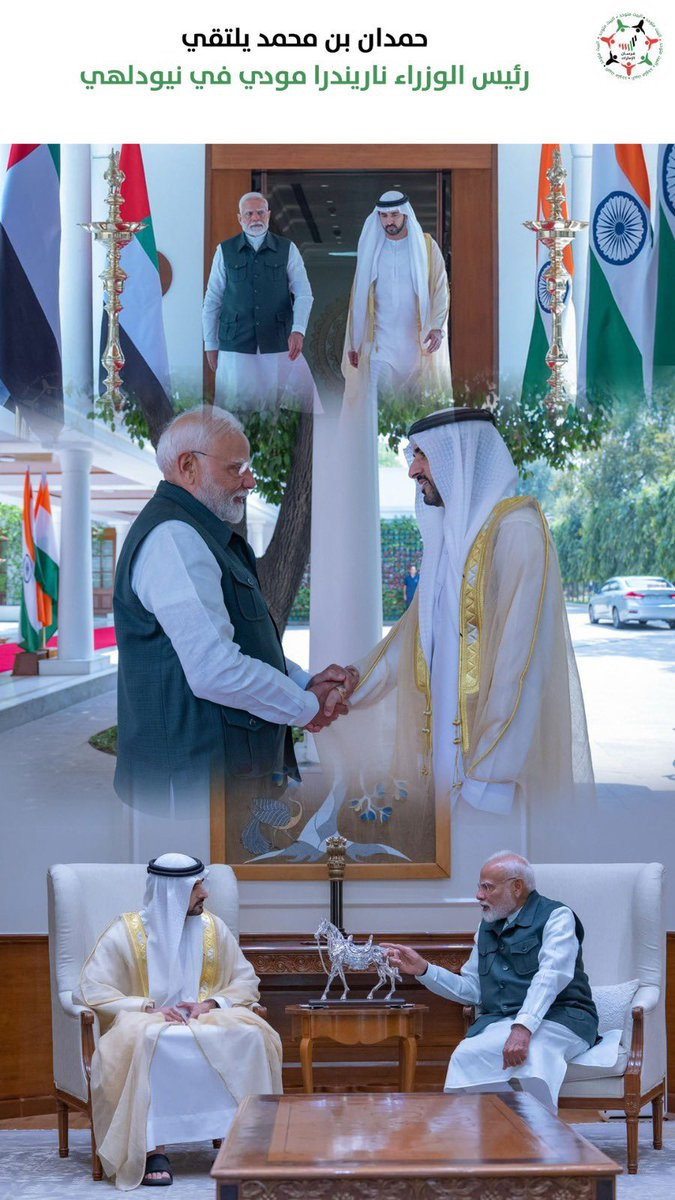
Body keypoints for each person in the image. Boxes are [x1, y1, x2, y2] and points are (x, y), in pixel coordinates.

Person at [343, 406, 593, 822]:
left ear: (458, 457)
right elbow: (414, 639)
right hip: (444, 771)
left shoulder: (517, 532)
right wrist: (348, 686)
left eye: (422, 455)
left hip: (491, 786)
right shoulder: (448, 540)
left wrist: (488, 779)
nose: (412, 470)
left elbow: (522, 664)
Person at [113, 405, 358, 815]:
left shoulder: (198, 534)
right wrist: (307, 707)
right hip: (194, 792)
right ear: (188, 466)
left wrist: (303, 683)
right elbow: (216, 669)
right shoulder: (174, 538)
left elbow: (241, 642)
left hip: (224, 782)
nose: (250, 480)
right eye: (236, 468)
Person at [75, 853, 282, 1189]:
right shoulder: (126, 933)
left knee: (252, 1036)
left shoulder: (214, 929)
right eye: (197, 887)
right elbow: (91, 989)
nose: (205, 893)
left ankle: (241, 1141)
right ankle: (153, 1149)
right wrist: (146, 1007)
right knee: (154, 1041)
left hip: (208, 1018)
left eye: (203, 884)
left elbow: (246, 980)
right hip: (147, 1022)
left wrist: (211, 1003)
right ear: (172, 892)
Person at [383, 852, 600, 1112]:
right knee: (465, 1055)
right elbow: (473, 990)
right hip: (505, 1021)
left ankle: (543, 1132)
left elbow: (551, 977)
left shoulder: (557, 917)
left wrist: (523, 1028)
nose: (479, 895)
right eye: (480, 887)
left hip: (564, 1018)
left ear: (517, 887)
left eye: (488, 887)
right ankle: (502, 1126)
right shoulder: (486, 927)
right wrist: (423, 970)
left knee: (535, 1053)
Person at [202, 192, 318, 412]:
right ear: (240, 218)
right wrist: (210, 344)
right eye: (249, 213)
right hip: (235, 342)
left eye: (260, 212)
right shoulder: (224, 250)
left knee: (278, 409)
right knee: (234, 411)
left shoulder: (287, 248)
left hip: (277, 341)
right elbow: (212, 299)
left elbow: (304, 294)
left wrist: (298, 330)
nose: (255, 218)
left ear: (269, 215)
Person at [342, 189, 452, 407]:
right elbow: (358, 298)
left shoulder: (426, 247)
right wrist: (355, 342)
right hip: (381, 348)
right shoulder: (372, 249)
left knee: (417, 413)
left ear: (405, 214)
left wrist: (437, 327)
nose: (389, 221)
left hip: (418, 348)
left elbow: (441, 289)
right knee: (378, 410)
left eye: (394, 215)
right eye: (384, 216)